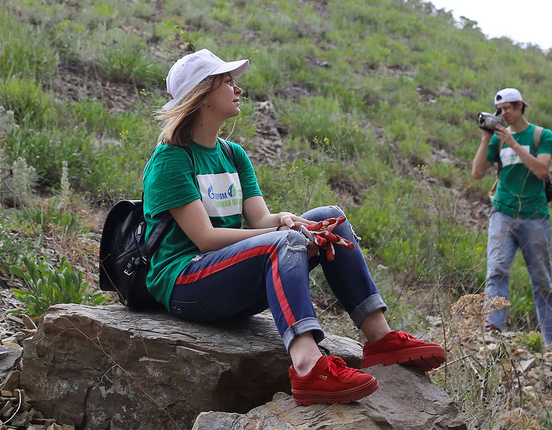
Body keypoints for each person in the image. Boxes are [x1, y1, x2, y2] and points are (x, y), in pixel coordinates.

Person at [143, 49, 445, 406]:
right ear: (203, 94)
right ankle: (307, 366)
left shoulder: (232, 154)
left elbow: (260, 222)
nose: (237, 88)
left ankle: (380, 338)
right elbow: (206, 239)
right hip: (184, 283)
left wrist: (287, 220)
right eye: (227, 81)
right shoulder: (171, 158)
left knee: (330, 217)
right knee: (284, 241)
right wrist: (287, 236)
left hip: (224, 276)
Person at [471, 87, 552, 344]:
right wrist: (487, 138)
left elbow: (542, 170)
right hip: (503, 212)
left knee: (542, 278)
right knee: (496, 270)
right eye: (499, 110)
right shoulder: (498, 139)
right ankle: (491, 329)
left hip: (535, 216)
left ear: (520, 105)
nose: (503, 114)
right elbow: (477, 173)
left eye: (508, 108)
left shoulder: (542, 135)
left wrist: (514, 144)